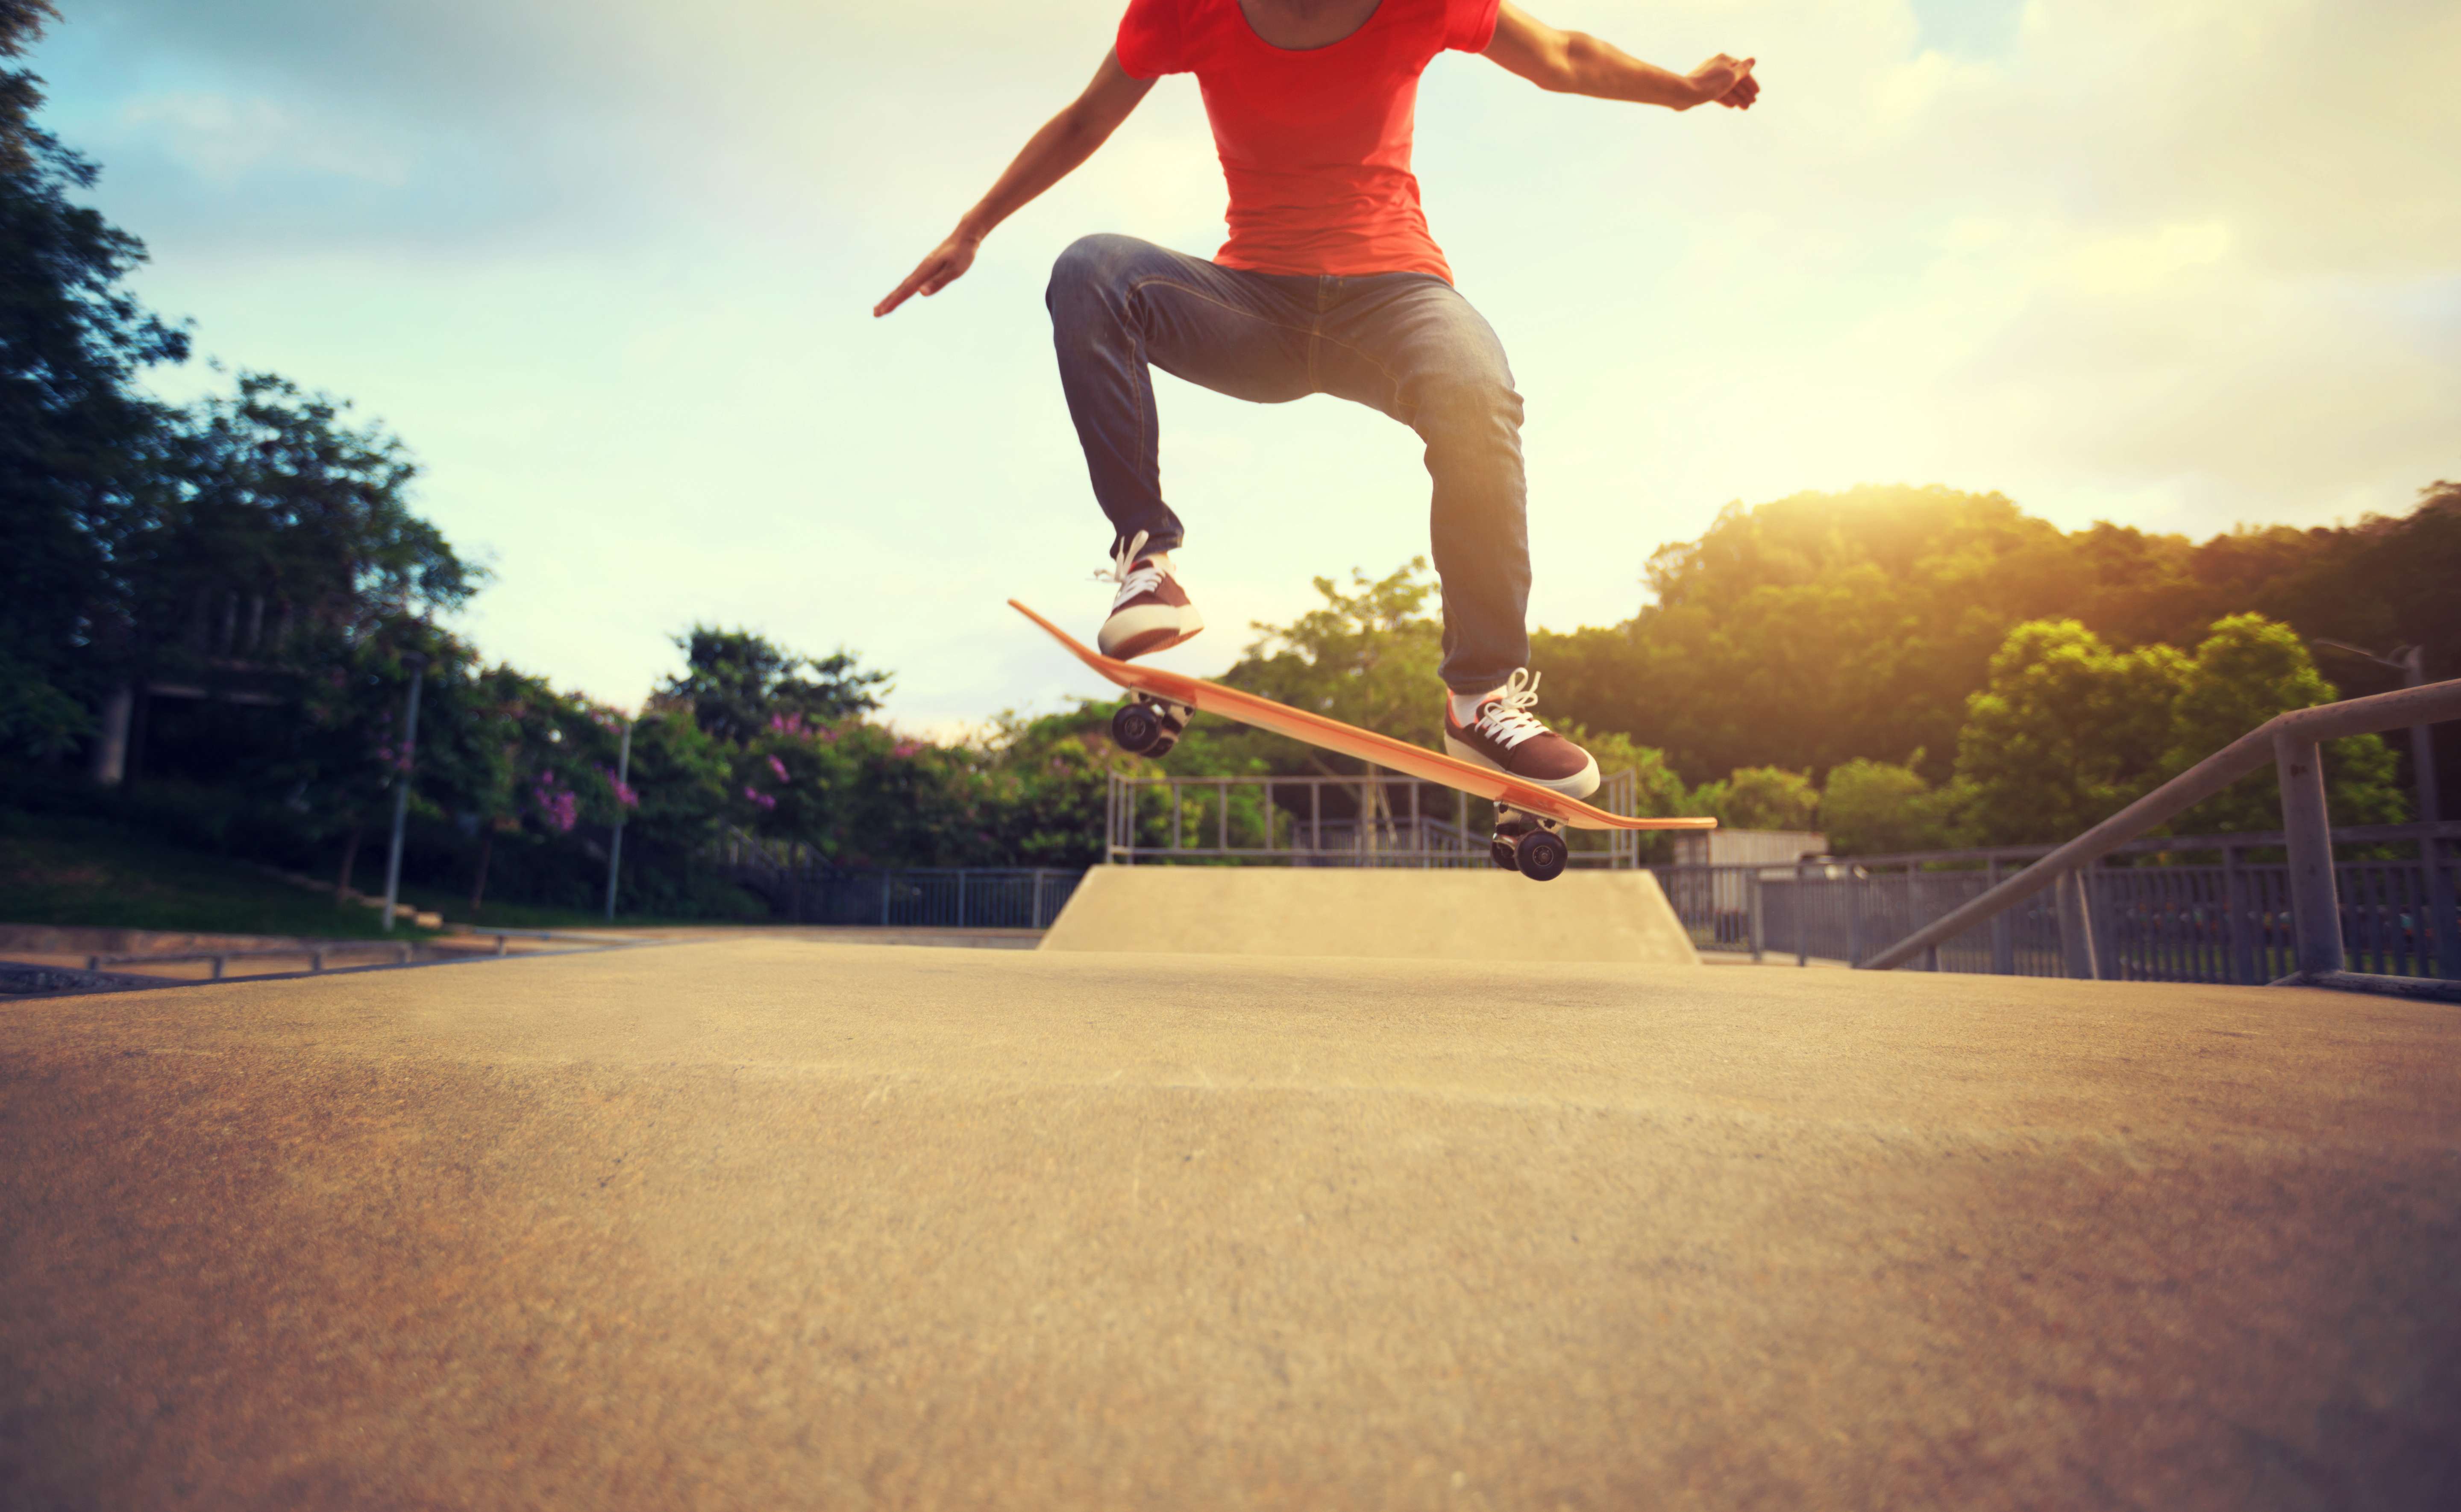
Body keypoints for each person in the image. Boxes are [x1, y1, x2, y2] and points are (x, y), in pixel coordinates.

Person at [876, 0, 1757, 798]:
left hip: (1396, 302)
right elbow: (1085, 119)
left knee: (1476, 389)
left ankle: (1481, 699)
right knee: (1093, 270)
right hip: (1251, 309)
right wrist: (973, 230)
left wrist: (1683, 91)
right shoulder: (1185, 9)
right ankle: (1148, 563)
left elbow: (1562, 55)